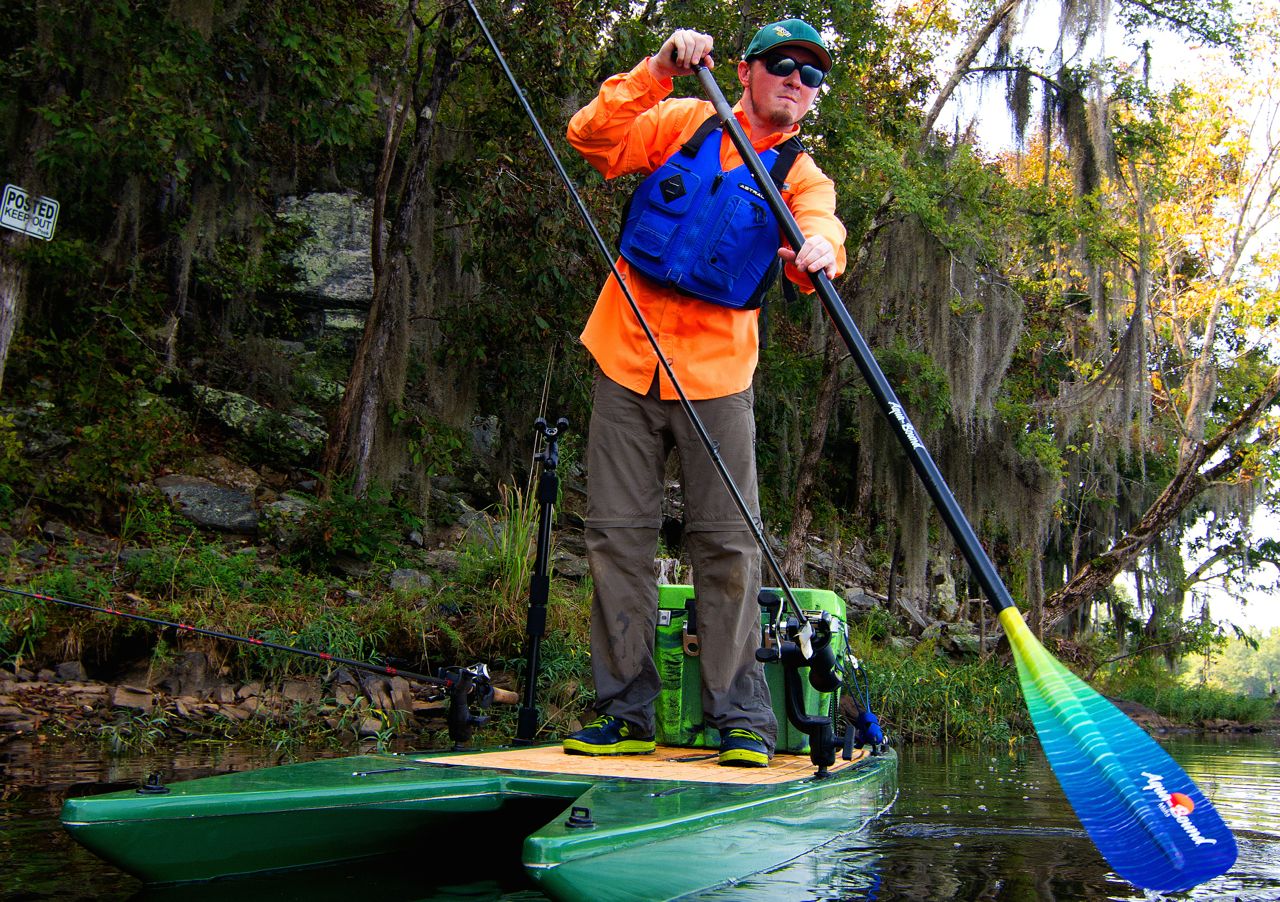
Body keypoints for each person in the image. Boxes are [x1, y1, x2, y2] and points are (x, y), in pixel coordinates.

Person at [562, 20, 847, 767]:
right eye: (783, 65)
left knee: (725, 545)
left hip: (718, 380)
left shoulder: (802, 178)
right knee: (616, 537)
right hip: (625, 359)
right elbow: (593, 137)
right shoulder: (686, 120)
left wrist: (819, 250)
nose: (796, 80)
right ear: (746, 72)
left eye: (811, 75)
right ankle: (626, 714)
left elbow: (820, 232)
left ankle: (741, 719)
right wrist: (658, 68)